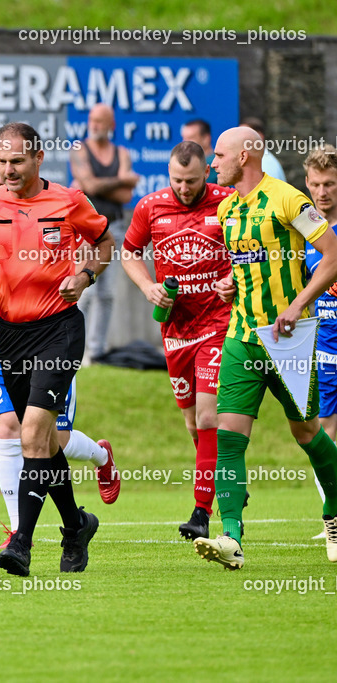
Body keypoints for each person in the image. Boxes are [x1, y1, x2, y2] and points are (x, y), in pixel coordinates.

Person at [0, 122, 114, 576]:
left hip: (58, 329)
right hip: (11, 335)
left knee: (30, 433)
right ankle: (76, 525)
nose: (9, 170)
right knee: (46, 443)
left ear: (38, 158)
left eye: (17, 161)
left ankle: (21, 543)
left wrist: (85, 277)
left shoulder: (69, 201)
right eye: (2, 162)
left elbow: (105, 243)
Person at [194, 127, 337, 569]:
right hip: (241, 337)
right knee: (228, 436)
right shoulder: (227, 207)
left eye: (219, 155)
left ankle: (334, 511)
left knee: (307, 433)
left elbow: (332, 257)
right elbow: (251, 266)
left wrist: (297, 304)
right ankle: (231, 537)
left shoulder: (290, 200)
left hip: (289, 340)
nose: (213, 163)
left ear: (245, 156)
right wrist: (230, 284)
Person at [121, 141, 233, 540]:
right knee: (192, 424)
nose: (184, 188)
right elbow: (129, 252)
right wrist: (147, 286)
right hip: (175, 330)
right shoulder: (151, 207)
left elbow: (253, 249)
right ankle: (227, 480)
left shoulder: (228, 202)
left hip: (218, 324)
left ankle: (201, 512)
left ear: (207, 173)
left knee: (208, 417)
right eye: (177, 180)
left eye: (191, 180)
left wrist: (233, 278)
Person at [70, 103, 139, 360]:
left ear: (112, 125)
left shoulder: (121, 153)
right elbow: (90, 186)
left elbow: (126, 195)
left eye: (100, 121)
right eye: (92, 120)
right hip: (87, 231)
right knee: (85, 290)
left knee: (107, 293)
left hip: (115, 227)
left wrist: (96, 185)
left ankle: (96, 351)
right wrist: (123, 180)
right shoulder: (79, 150)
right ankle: (75, 348)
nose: (95, 125)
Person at [303, 145, 337, 539]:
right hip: (325, 350)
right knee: (322, 434)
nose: (322, 192)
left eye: (330, 184)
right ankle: (334, 515)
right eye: (316, 184)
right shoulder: (303, 231)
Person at [241, 117, 287, 182]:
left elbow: (269, 187)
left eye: (244, 134)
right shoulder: (259, 160)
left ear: (259, 136)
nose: (240, 139)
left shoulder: (266, 163)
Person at [181, 119, 218, 185]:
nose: (185, 143)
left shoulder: (217, 165)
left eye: (190, 138)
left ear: (206, 139)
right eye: (184, 138)